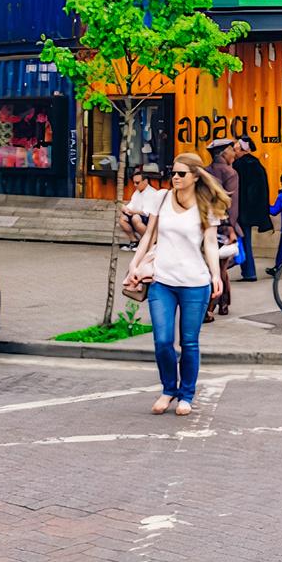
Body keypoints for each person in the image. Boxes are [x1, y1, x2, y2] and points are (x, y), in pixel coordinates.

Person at [122, 152, 226, 418]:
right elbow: (149, 236)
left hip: (195, 283)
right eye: (173, 173)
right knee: (163, 340)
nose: (175, 178)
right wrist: (135, 264)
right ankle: (169, 389)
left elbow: (211, 243)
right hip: (162, 281)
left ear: (194, 176)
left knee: (189, 342)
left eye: (181, 173)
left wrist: (215, 275)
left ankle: (186, 395)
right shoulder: (162, 198)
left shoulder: (207, 204)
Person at [204, 138, 240, 314]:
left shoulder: (205, 171)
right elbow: (232, 204)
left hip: (207, 224)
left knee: (217, 267)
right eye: (233, 150)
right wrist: (231, 227)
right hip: (223, 226)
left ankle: (222, 303)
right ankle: (214, 307)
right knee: (219, 268)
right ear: (224, 152)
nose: (235, 153)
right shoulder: (230, 173)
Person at [231, 136, 269, 281]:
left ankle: (248, 271)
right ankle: (248, 271)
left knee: (243, 239)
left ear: (241, 150)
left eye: (235, 149)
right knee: (245, 239)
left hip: (242, 210)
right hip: (252, 210)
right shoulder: (257, 164)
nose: (234, 152)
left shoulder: (240, 165)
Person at [119, 165, 164, 250]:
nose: (135, 185)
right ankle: (134, 241)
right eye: (134, 182)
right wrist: (125, 208)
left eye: (137, 182)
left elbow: (147, 212)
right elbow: (131, 205)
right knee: (122, 218)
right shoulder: (137, 192)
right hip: (139, 215)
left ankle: (151, 242)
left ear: (145, 181)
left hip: (152, 220)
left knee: (135, 218)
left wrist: (133, 212)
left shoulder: (152, 193)